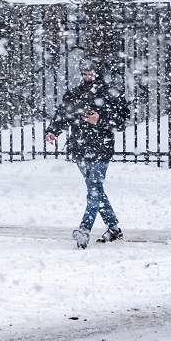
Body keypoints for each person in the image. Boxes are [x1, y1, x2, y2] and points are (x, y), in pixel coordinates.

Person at [44, 58, 130, 248]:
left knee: (93, 190)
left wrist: (101, 119)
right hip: (80, 148)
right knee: (96, 190)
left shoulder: (110, 93)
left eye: (91, 73)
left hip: (101, 148)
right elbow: (63, 115)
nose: (87, 77)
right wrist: (52, 131)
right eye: (84, 74)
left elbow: (122, 119)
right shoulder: (75, 94)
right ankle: (114, 228)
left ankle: (84, 229)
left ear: (98, 72)